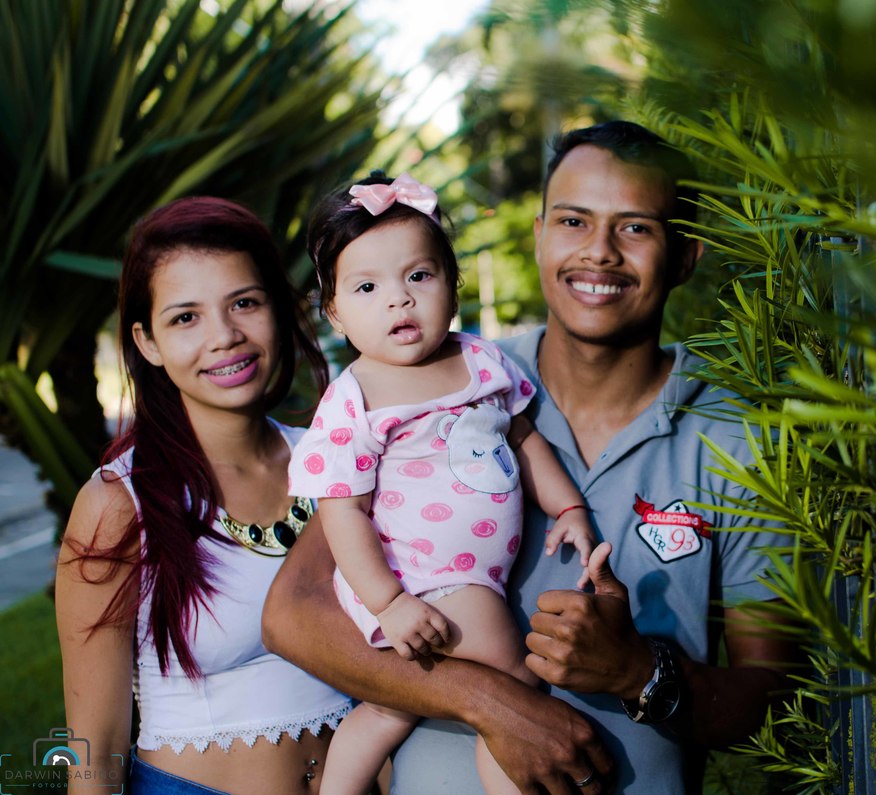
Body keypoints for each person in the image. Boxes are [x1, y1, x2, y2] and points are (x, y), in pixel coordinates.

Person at [263, 121, 793, 794]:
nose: (598, 250)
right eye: (573, 221)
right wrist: (494, 703)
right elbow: (294, 616)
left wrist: (639, 672)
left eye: (635, 227)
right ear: (539, 234)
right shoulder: (426, 382)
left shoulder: (737, 439)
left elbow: (772, 700)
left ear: (686, 254)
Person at [291, 173, 596, 794]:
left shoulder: (480, 361)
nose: (398, 300)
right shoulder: (355, 397)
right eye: (368, 287)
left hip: (457, 578)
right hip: (422, 579)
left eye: (418, 276)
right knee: (513, 686)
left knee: (386, 709)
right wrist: (390, 603)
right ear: (335, 312)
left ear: (452, 286)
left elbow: (523, 439)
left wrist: (567, 506)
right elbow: (342, 511)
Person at [56, 197, 351, 794]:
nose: (224, 337)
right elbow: (96, 746)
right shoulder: (120, 503)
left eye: (244, 303)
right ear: (148, 342)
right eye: (185, 317)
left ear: (277, 308)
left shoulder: (337, 462)